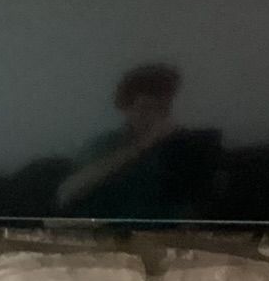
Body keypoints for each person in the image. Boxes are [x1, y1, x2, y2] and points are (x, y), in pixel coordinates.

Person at [55, 62, 203, 218]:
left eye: (162, 109)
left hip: (166, 236)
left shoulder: (182, 145)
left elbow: (197, 206)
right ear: (126, 108)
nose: (154, 116)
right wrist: (141, 146)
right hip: (108, 234)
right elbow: (66, 194)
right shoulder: (106, 144)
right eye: (145, 108)